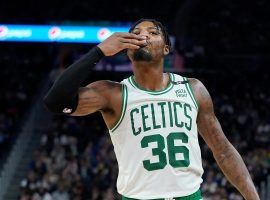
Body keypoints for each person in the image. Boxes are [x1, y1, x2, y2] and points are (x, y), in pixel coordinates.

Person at [43, 19, 260, 200]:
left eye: (153, 32)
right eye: (136, 33)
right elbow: (55, 101)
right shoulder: (112, 93)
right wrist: (98, 51)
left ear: (166, 49)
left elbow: (223, 150)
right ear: (127, 49)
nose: (142, 35)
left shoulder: (193, 89)